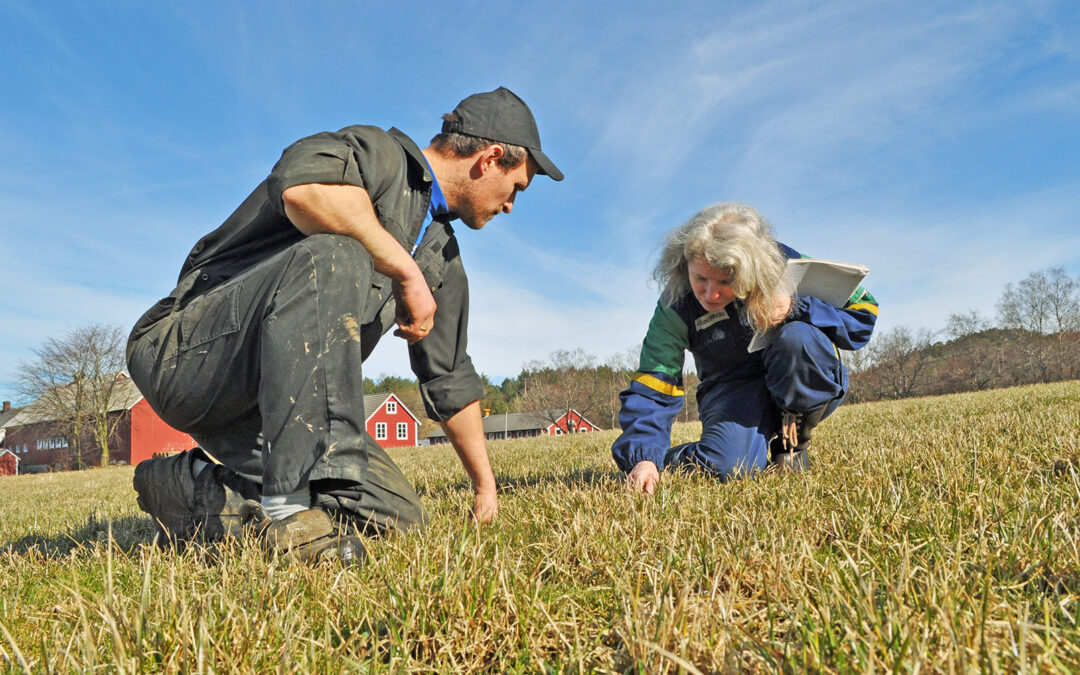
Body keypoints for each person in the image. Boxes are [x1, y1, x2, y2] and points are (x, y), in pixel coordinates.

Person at [127, 87, 563, 563]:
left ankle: (195, 494)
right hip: (189, 355)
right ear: (490, 158)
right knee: (337, 253)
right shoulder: (379, 155)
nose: (510, 206)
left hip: (270, 409)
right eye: (516, 188)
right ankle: (290, 516)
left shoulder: (441, 256)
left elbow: (449, 375)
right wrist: (405, 271)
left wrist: (485, 487)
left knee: (393, 515)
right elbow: (302, 190)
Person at [611, 202, 877, 494]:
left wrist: (796, 307)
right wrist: (644, 457)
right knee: (731, 468)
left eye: (726, 281)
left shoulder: (783, 263)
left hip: (798, 373)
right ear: (684, 262)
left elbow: (864, 313)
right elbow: (654, 383)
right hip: (731, 389)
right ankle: (670, 458)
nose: (710, 294)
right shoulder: (675, 304)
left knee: (798, 337)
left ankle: (791, 445)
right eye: (700, 278)